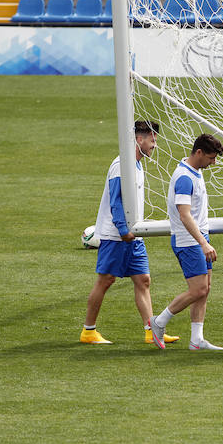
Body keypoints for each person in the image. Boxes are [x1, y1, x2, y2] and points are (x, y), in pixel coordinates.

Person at [80, 120, 179, 346]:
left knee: (143, 280)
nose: (155, 145)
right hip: (117, 235)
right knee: (106, 280)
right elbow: (116, 201)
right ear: (139, 139)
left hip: (134, 236)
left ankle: (150, 330)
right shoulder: (120, 165)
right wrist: (123, 230)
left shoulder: (136, 164)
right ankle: (88, 331)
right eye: (152, 140)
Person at [149, 134, 223, 351]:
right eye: (211, 158)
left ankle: (196, 339)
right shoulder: (184, 178)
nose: (214, 163)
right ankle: (159, 322)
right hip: (188, 241)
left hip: (199, 238)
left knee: (205, 288)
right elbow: (184, 215)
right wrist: (203, 243)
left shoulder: (195, 172)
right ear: (198, 153)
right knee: (198, 289)